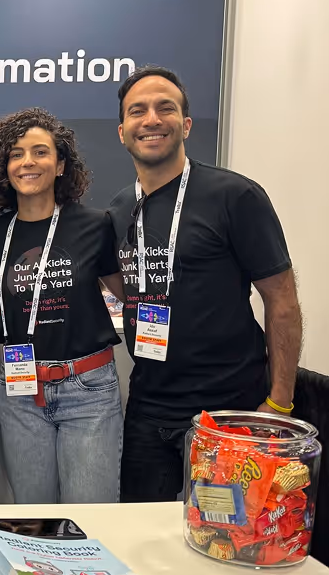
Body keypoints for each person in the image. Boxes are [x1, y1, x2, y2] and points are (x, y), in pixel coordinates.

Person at [109, 66, 301, 502]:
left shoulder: (235, 196)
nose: (152, 119)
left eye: (166, 108)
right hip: (149, 407)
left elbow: (282, 300)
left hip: (230, 409)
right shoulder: (120, 209)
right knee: (142, 539)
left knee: (228, 540)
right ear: (123, 131)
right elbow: (134, 288)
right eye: (138, 111)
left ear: (187, 124)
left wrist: (279, 405)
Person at [0, 108, 125, 504]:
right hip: (20, 390)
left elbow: (128, 294)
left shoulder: (95, 225)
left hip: (88, 390)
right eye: (16, 154)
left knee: (91, 521)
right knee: (34, 520)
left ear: (60, 165)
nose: (28, 162)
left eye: (40, 152)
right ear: (4, 168)